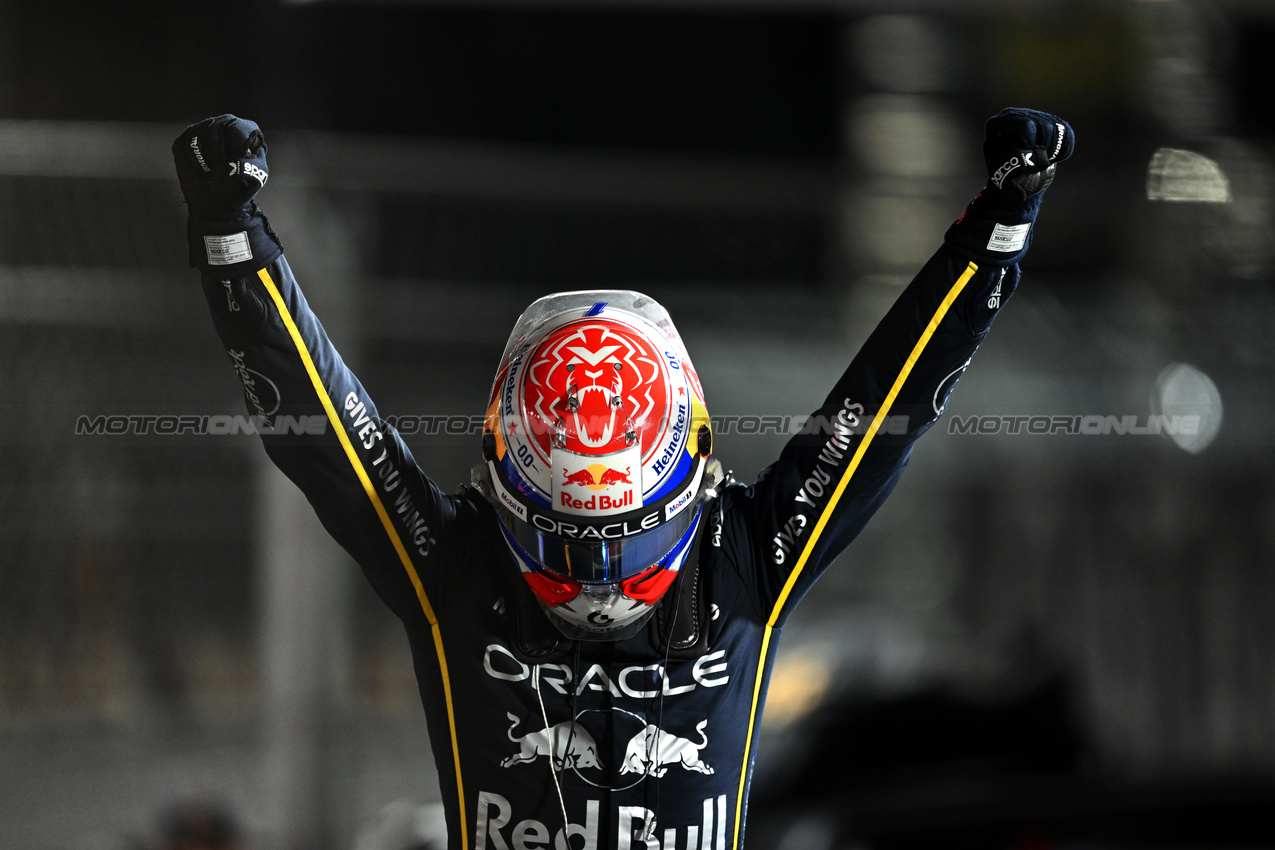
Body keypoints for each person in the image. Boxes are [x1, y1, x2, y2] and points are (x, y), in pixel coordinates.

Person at [172, 108, 1073, 850]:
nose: (597, 583)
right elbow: (329, 433)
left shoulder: (744, 558)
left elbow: (883, 406)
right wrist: (230, 238)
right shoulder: (459, 566)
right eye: (567, 542)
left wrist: (998, 232)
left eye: (624, 540)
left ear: (690, 480)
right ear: (504, 487)